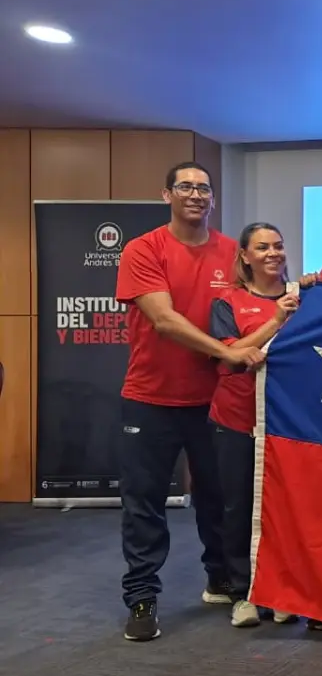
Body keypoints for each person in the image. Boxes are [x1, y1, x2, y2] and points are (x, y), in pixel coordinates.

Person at [115, 161, 264, 642]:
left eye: (204, 188)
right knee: (145, 502)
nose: (196, 195)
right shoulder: (144, 249)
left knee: (218, 498)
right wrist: (227, 352)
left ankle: (221, 577)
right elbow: (164, 320)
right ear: (167, 196)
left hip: (216, 399)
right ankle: (142, 596)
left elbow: (263, 298)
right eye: (185, 187)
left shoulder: (230, 253)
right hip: (150, 398)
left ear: (214, 199)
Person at [208, 223, 300, 628]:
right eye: (262, 247)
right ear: (245, 256)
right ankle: (242, 593)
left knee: (284, 509)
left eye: (278, 246)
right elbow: (230, 358)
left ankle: (279, 590)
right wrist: (276, 320)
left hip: (289, 425)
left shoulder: (305, 298)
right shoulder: (227, 303)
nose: (272, 253)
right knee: (238, 507)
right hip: (236, 420)